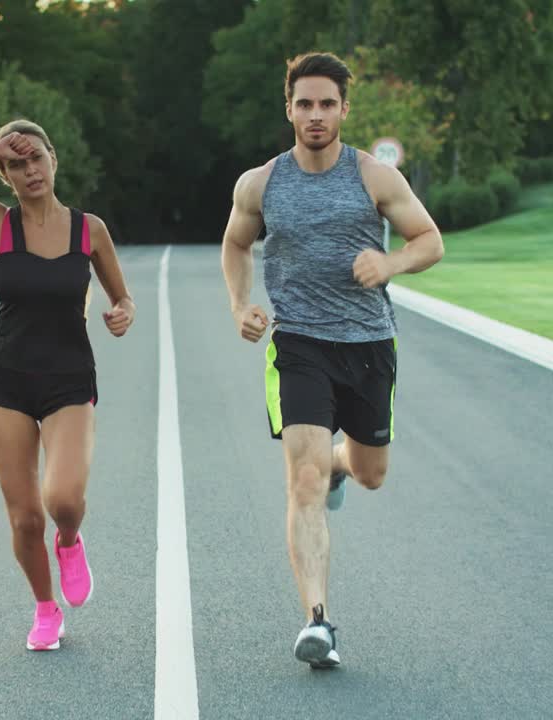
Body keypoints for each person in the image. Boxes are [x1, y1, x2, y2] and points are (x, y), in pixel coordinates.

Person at [220, 52, 444, 668]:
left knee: (370, 474)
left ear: (344, 109)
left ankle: (346, 464)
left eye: (327, 104)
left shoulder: (375, 178)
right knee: (304, 480)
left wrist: (391, 263)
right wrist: (240, 303)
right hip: (299, 346)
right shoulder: (259, 183)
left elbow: (429, 240)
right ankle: (317, 621)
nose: (315, 115)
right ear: (288, 108)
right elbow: (236, 243)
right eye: (304, 103)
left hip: (369, 345)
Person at [0, 119, 135, 651]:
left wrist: (122, 312)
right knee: (23, 515)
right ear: (5, 174)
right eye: (16, 163)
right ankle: (44, 608)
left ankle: (70, 540)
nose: (30, 169)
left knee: (62, 500)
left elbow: (121, 297)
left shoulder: (90, 229)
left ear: (53, 160)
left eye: (35, 157)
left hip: (69, 381)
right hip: (6, 383)